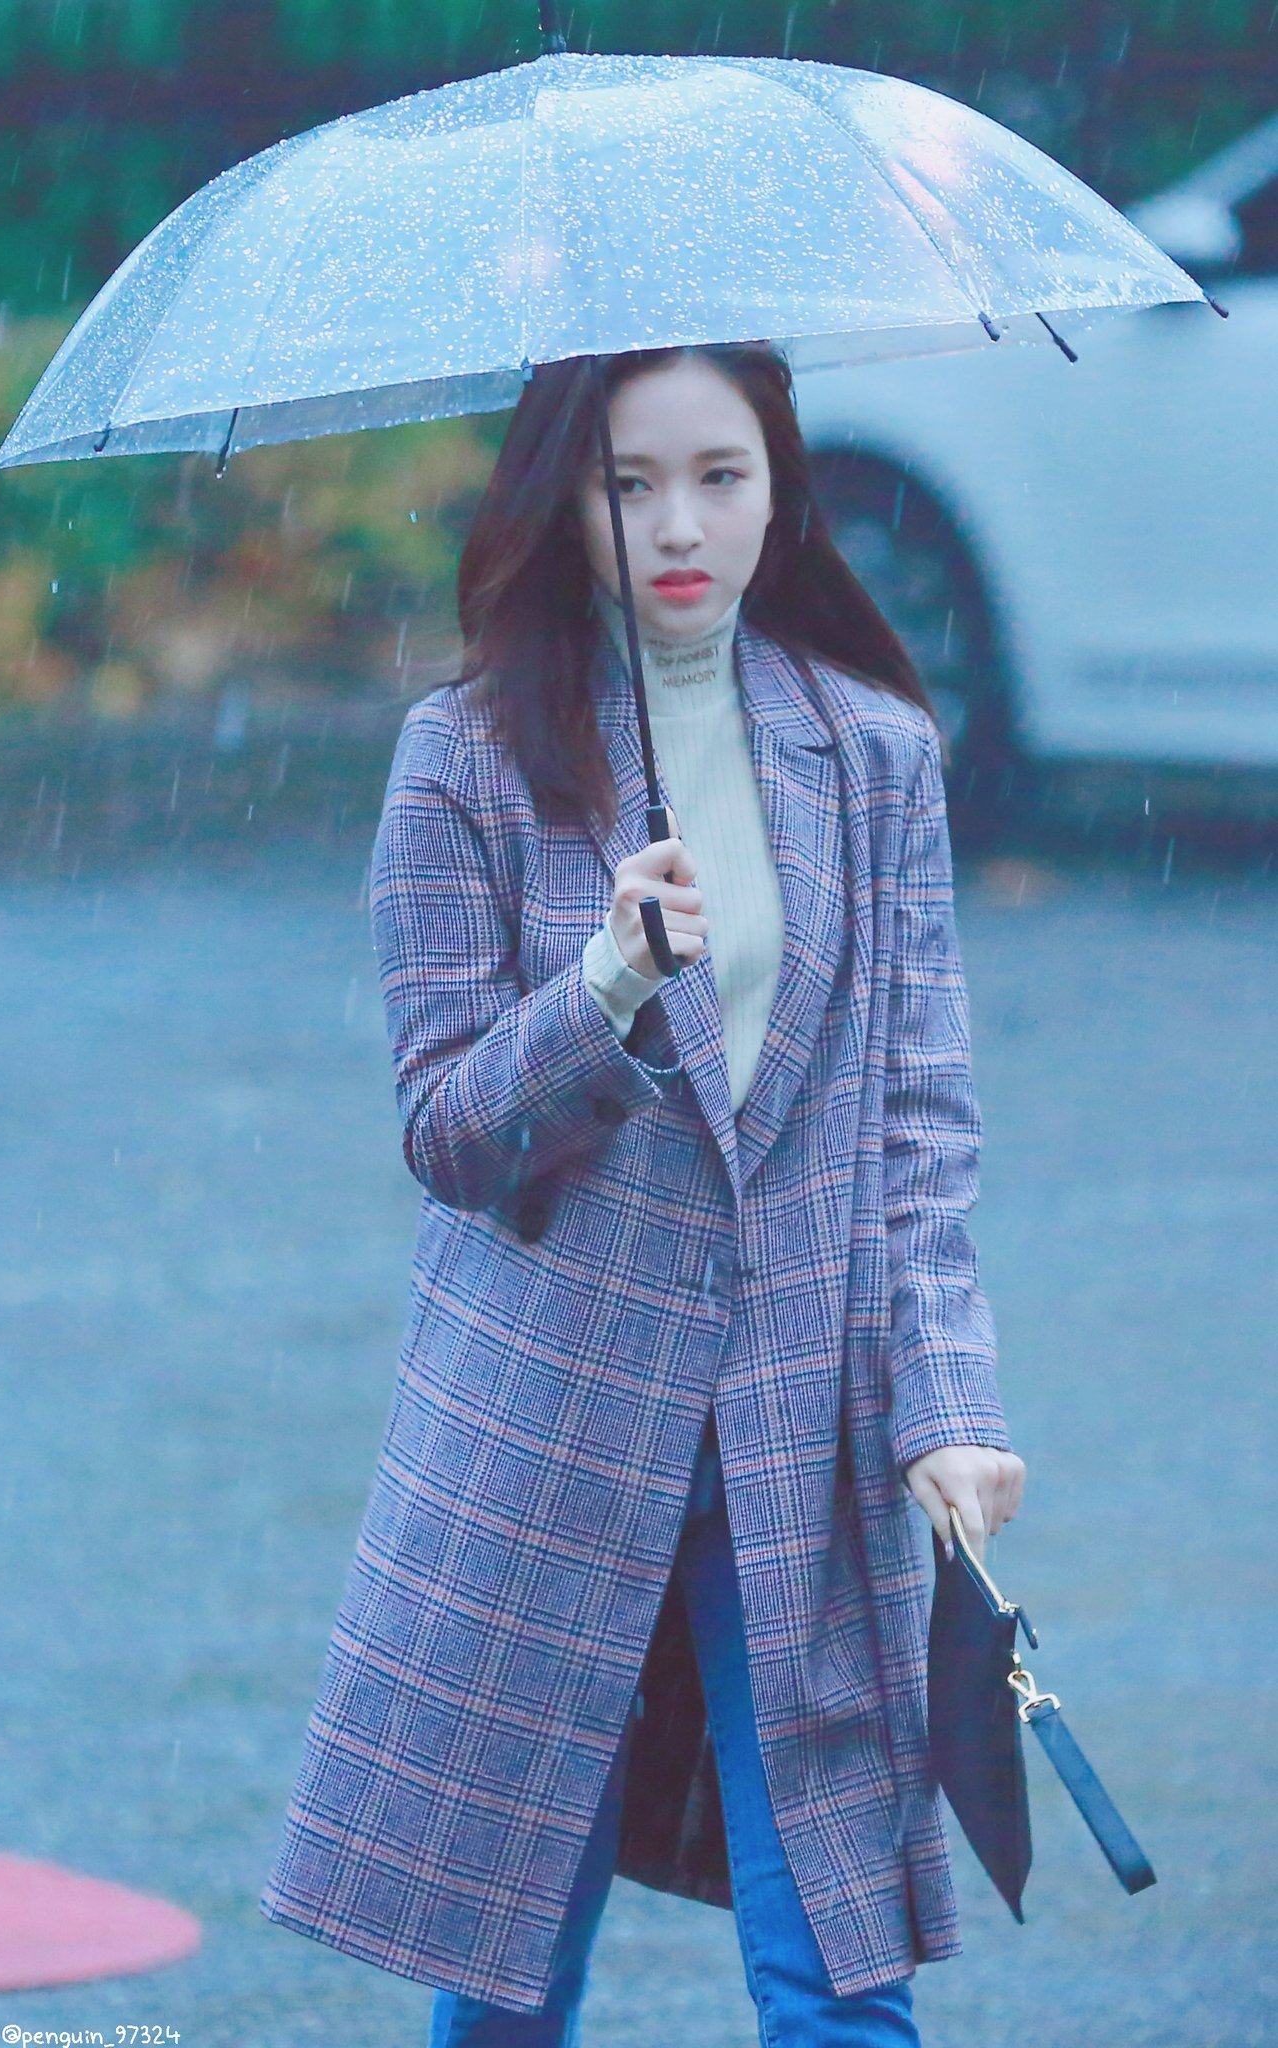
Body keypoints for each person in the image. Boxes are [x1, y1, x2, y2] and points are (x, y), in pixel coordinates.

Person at [259, 342, 1026, 2046]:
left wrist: (947, 1404)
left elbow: (914, 1125)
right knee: (509, 1968)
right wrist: (601, 985)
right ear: (564, 500)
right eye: (630, 483)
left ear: (780, 490)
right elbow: (449, 1136)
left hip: (796, 1426)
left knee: (839, 1972)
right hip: (551, 1429)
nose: (680, 524)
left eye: (719, 476)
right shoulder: (463, 757)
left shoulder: (874, 753)